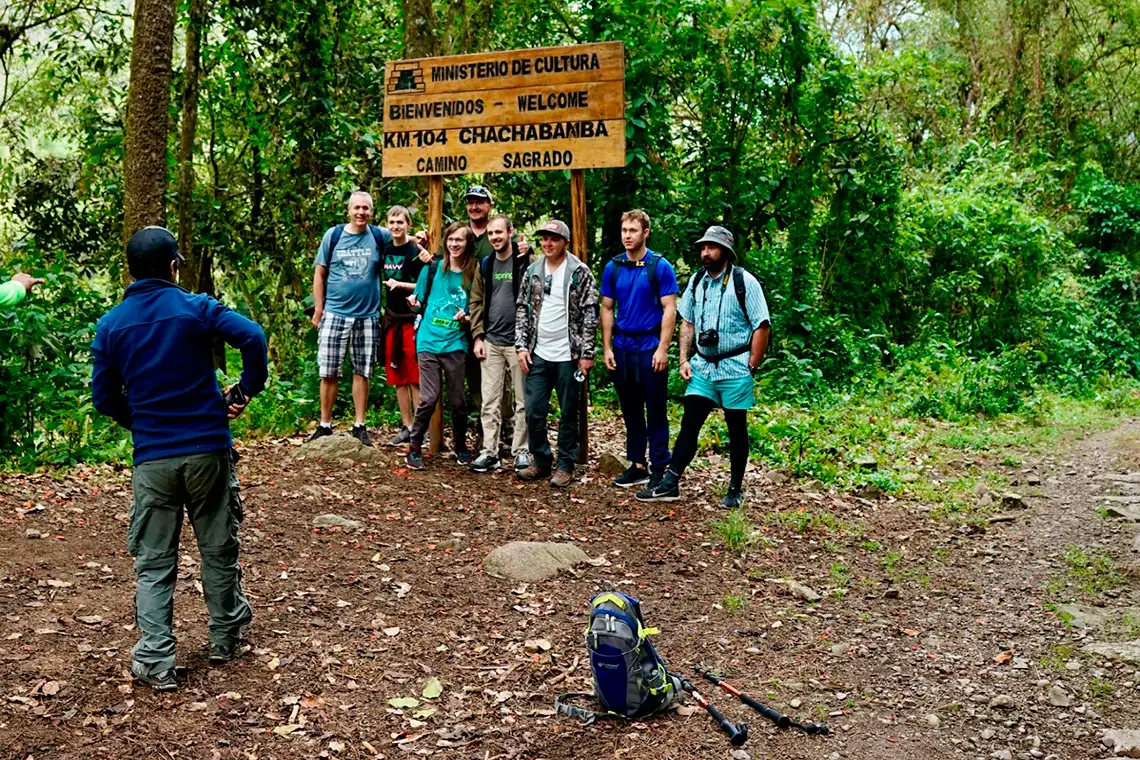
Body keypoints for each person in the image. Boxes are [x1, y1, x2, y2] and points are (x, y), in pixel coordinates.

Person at [91, 226, 268, 691]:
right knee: (218, 546)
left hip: (153, 459)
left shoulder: (111, 326)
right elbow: (252, 337)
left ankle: (156, 658)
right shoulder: (196, 308)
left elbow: (104, 398)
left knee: (154, 561)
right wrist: (244, 390)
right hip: (207, 448)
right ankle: (225, 637)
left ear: (130, 270)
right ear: (173, 266)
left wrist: (145, 423)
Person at [637, 226, 770, 509]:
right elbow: (688, 322)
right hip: (703, 367)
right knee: (690, 424)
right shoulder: (697, 281)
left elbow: (762, 324)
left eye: (711, 248)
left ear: (726, 251)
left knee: (736, 427)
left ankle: (735, 487)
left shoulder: (743, 281)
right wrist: (684, 359)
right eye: (702, 248)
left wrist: (753, 364)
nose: (705, 253)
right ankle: (671, 481)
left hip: (735, 366)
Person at [515, 220, 599, 488]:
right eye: (544, 238)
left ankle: (565, 465)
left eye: (554, 238)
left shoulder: (579, 272)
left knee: (568, 412)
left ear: (565, 242)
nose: (548, 243)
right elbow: (521, 309)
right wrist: (521, 346)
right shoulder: (533, 270)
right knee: (534, 410)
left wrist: (587, 353)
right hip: (538, 352)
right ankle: (540, 460)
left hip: (569, 354)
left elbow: (590, 313)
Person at [600, 210, 679, 491]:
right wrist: (607, 347)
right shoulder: (614, 267)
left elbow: (670, 307)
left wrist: (663, 348)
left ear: (645, 232)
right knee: (630, 409)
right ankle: (637, 465)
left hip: (649, 347)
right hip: (623, 347)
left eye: (633, 231)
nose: (627, 236)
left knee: (655, 410)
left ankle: (660, 468)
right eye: (624, 231)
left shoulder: (659, 266)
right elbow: (607, 308)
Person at [309, 190, 391, 446]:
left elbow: (403, 246)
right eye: (357, 208)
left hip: (367, 315)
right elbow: (319, 274)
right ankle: (324, 424)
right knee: (329, 371)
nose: (361, 213)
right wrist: (319, 310)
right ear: (349, 210)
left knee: (362, 371)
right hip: (335, 313)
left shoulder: (380, 236)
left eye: (366, 208)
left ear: (371, 211)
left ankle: (360, 424)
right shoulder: (333, 236)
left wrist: (419, 242)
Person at [405, 222, 478, 470]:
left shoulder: (473, 274)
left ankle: (460, 445)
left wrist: (466, 319)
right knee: (428, 397)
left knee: (458, 401)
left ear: (468, 244)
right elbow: (418, 302)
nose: (454, 244)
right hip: (428, 340)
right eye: (451, 239)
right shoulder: (433, 267)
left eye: (460, 240)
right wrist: (412, 302)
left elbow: (476, 310)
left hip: (455, 341)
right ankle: (414, 446)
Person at [467, 214, 531, 474]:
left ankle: (521, 451)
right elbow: (476, 302)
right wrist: (478, 335)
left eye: (499, 233)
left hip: (518, 343)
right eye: (491, 233)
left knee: (522, 400)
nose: (494, 237)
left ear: (510, 232)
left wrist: (529, 254)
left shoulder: (523, 260)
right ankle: (489, 452)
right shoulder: (486, 264)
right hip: (491, 341)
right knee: (489, 400)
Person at [380, 205, 431, 445]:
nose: (396, 226)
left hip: (412, 319)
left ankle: (421, 429)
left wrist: (401, 285)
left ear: (408, 224)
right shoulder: (385, 248)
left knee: (414, 376)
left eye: (401, 222)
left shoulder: (416, 251)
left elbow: (424, 283)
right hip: (392, 319)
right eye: (392, 222)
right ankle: (406, 425)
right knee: (397, 374)